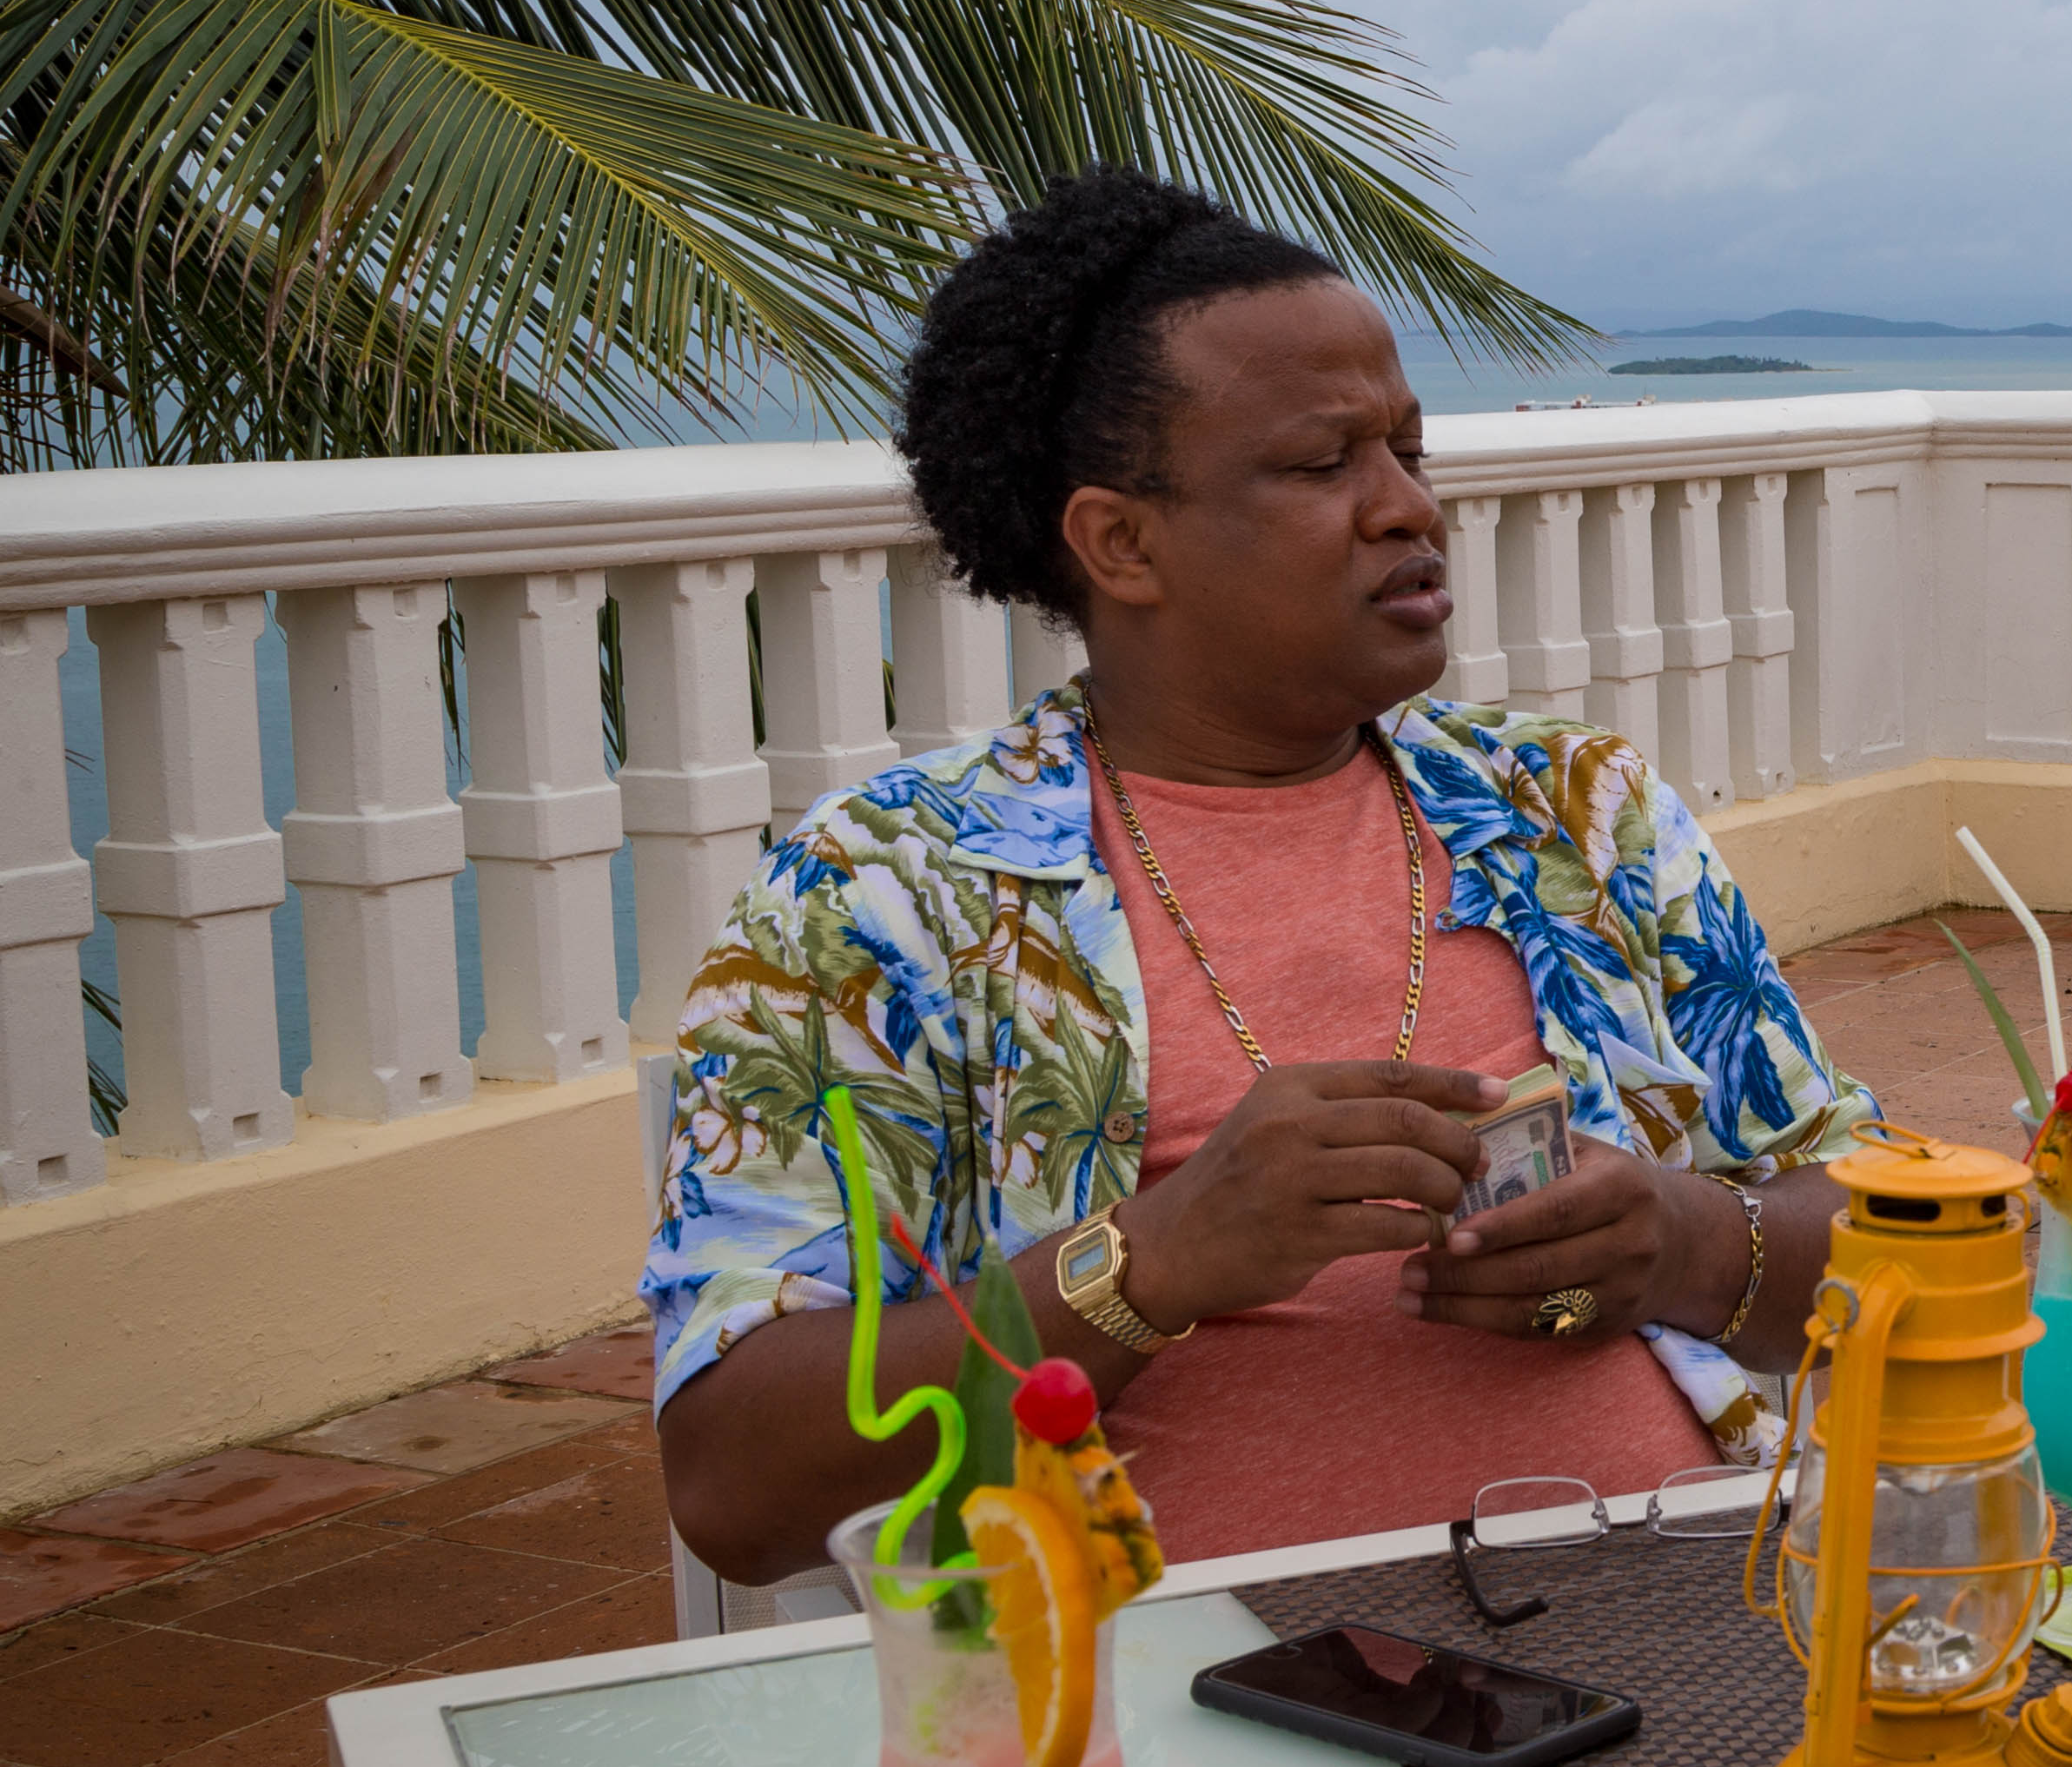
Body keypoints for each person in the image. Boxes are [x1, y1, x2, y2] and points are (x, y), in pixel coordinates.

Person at [652, 169, 1876, 1584]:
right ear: (1121, 541)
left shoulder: (1572, 814)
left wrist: (1687, 1239)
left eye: (1407, 448)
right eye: (1320, 463)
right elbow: (734, 1480)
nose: (1407, 506)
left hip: (1672, 1612)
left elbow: (1902, 1238)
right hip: (1162, 1679)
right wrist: (1147, 1263)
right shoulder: (883, 894)